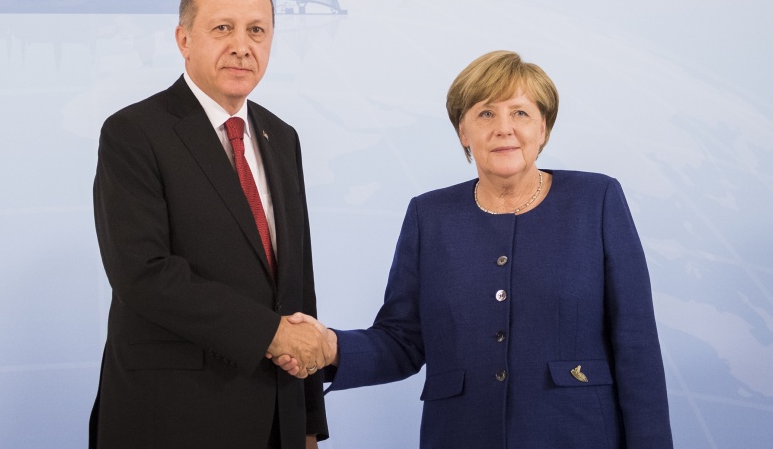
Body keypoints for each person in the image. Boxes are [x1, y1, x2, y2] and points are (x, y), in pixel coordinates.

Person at [277, 50, 672, 448]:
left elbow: (636, 343)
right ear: (463, 132)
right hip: (459, 434)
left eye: (520, 113)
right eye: (485, 114)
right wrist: (330, 347)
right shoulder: (428, 215)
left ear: (544, 129)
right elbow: (403, 341)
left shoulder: (596, 199)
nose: (504, 128)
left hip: (577, 433)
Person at [90, 0, 329, 449]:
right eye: (223, 28)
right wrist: (270, 334)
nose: (242, 45)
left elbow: (296, 286)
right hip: (170, 418)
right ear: (183, 39)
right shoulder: (134, 132)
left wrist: (307, 422)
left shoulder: (282, 138)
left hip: (273, 421)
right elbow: (144, 274)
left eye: (256, 30)